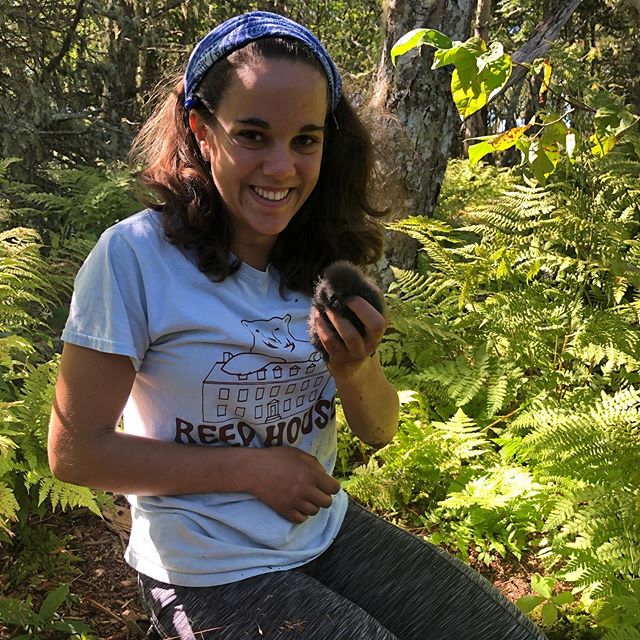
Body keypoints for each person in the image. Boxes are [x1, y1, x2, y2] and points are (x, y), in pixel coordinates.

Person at [48, 11, 547, 640]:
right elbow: (74, 451)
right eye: (253, 136)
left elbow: (380, 429)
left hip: (324, 530)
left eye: (305, 139)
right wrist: (250, 470)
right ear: (203, 131)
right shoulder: (136, 259)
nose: (281, 167)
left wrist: (355, 368)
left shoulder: (325, 257)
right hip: (206, 565)